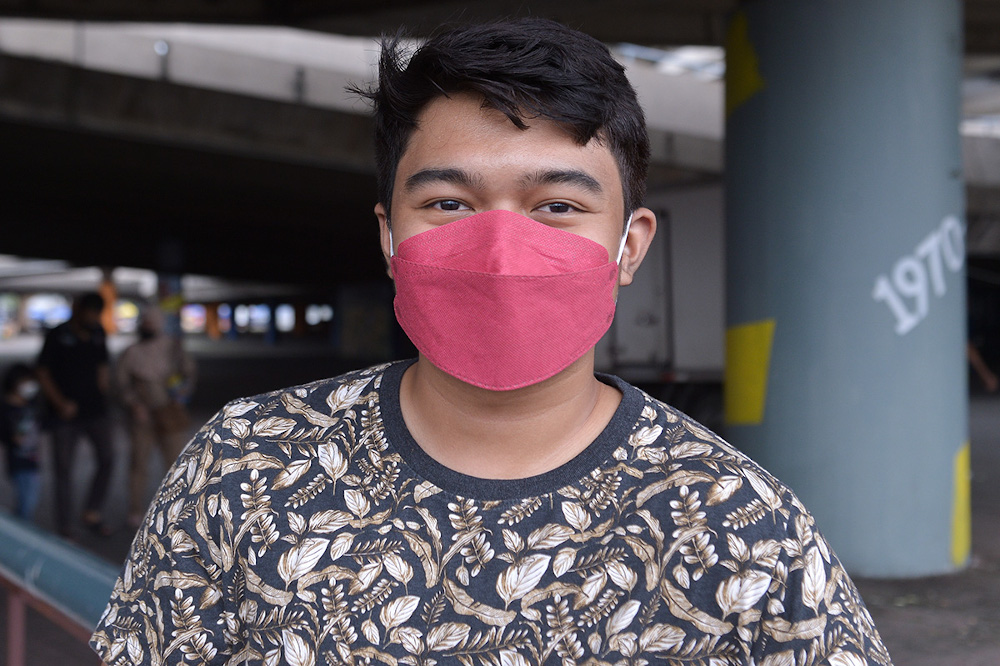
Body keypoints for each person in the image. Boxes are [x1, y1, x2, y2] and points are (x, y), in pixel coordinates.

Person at [91, 19, 892, 665]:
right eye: (448, 203)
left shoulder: (740, 527)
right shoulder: (244, 468)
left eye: (557, 207)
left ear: (630, 247)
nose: (501, 252)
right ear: (389, 236)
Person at [36, 291, 114, 537]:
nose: (94, 318)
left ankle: (92, 511)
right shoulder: (57, 335)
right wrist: (60, 403)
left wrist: (104, 391)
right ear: (79, 311)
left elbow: (102, 366)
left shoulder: (98, 332)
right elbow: (43, 372)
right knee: (63, 469)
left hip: (96, 410)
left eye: (97, 313)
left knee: (107, 458)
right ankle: (65, 526)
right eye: (91, 313)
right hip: (64, 415)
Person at [116, 305, 196, 529]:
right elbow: (121, 383)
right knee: (138, 463)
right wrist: (134, 404)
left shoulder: (173, 349)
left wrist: (181, 396)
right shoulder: (132, 352)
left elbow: (188, 374)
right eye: (144, 323)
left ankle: (176, 509)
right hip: (143, 417)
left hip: (170, 414)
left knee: (175, 463)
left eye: (151, 323)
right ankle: (135, 510)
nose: (147, 327)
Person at [0, 364, 43, 521]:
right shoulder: (5, 409)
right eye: (25, 381)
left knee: (30, 500)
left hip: (33, 460)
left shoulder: (30, 405)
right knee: (26, 502)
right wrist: (12, 437)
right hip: (18, 462)